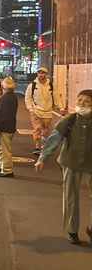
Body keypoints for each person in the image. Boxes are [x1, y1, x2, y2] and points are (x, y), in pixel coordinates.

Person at [35, 89, 92, 245]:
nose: (82, 104)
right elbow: (54, 140)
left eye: (87, 101)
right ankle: (72, 230)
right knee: (71, 196)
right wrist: (42, 159)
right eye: (80, 100)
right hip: (70, 161)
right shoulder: (70, 120)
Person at [24, 67, 66, 156]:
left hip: (47, 112)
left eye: (42, 73)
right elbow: (28, 98)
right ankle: (37, 146)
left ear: (46, 74)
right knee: (37, 129)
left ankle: (44, 146)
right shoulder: (32, 85)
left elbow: (57, 97)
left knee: (45, 130)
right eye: (39, 73)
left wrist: (62, 108)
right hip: (36, 111)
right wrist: (31, 109)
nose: (40, 75)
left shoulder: (51, 85)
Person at [0, 78, 18, 178]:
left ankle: (7, 169)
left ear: (2, 87)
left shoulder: (5, 98)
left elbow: (2, 115)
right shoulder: (12, 97)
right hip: (9, 127)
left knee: (4, 149)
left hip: (4, 128)